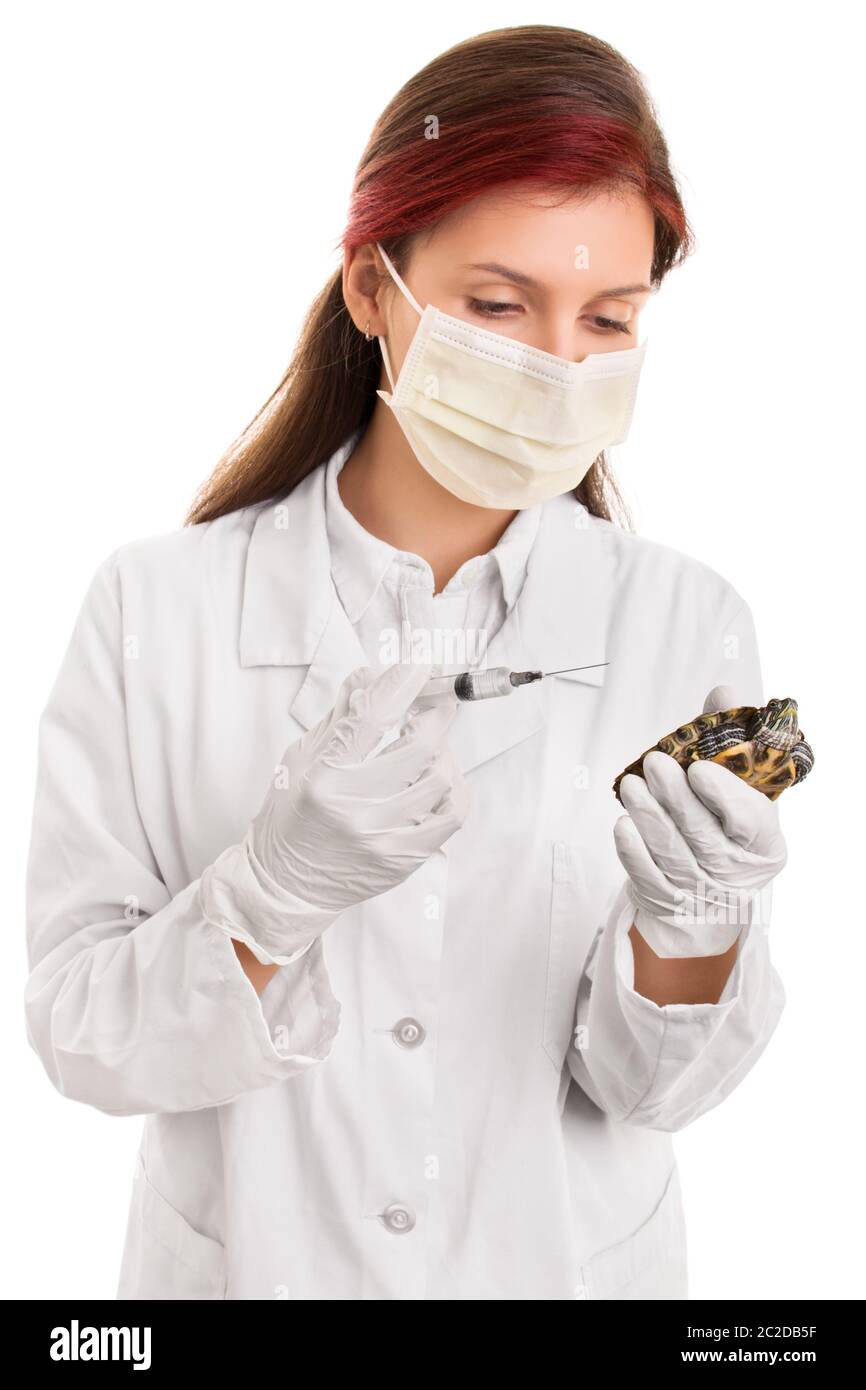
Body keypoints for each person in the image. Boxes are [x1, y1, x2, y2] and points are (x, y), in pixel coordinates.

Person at [24, 24, 790, 1301]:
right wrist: (267, 898)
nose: (554, 363)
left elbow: (658, 1093)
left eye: (606, 317)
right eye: (495, 305)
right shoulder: (156, 606)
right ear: (371, 290)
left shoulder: (685, 623)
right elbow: (82, 1042)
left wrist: (693, 934)